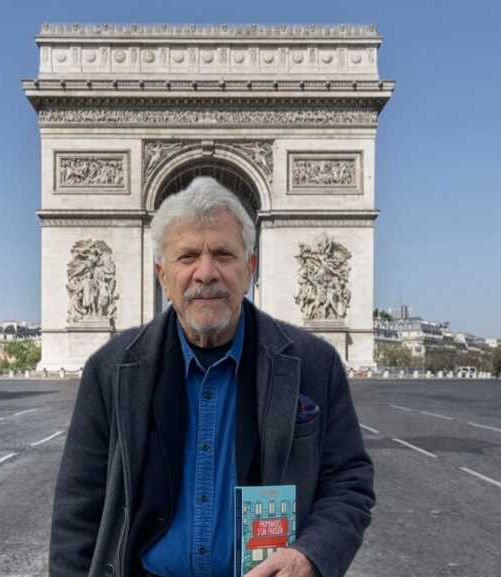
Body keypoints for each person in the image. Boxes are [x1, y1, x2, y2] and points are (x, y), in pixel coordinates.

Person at [49, 176, 375, 577]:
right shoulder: (109, 369)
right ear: (161, 274)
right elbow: (77, 511)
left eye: (223, 254)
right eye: (187, 257)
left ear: (250, 267)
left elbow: (349, 481)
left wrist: (312, 554)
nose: (206, 273)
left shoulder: (314, 364)